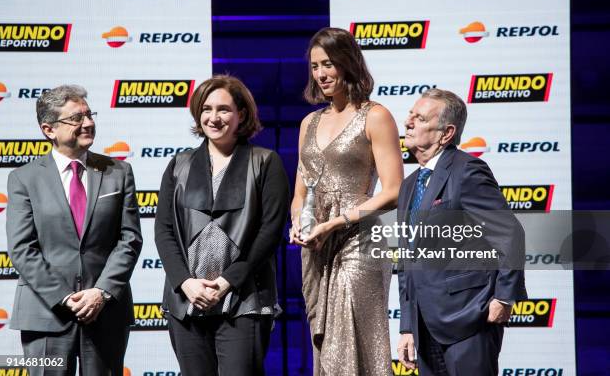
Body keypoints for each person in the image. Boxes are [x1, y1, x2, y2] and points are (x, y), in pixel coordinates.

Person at [154, 75, 290, 376]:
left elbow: (270, 232)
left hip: (244, 300)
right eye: (206, 108)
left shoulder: (265, 162)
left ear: (241, 114)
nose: (213, 118)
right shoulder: (179, 164)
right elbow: (163, 231)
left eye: (224, 109)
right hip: (186, 301)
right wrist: (185, 283)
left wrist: (227, 281)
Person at [6, 85, 143, 375]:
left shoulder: (118, 172)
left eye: (89, 114)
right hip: (45, 314)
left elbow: (129, 239)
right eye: (76, 118)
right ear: (49, 129)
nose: (89, 123)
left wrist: (101, 292)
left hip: (105, 313)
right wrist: (65, 298)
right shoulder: (23, 178)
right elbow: (22, 249)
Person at [290, 27, 404, 375]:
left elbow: (394, 189)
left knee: (353, 332)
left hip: (361, 241)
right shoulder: (309, 122)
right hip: (317, 245)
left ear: (348, 63)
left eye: (328, 64)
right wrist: (299, 223)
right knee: (324, 339)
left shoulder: (376, 115)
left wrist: (338, 221)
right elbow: (300, 193)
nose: (321, 74)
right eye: (314, 66)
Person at [396, 88, 527, 376]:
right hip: (425, 327)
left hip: (469, 317)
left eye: (419, 118)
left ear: (446, 133)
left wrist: (504, 297)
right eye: (410, 115)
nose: (408, 122)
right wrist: (407, 326)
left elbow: (509, 234)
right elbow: (407, 262)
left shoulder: (467, 171)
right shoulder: (408, 185)